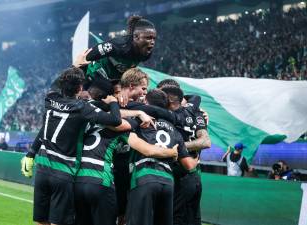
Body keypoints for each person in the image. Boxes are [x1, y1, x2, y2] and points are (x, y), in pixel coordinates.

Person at [21, 67, 123, 225]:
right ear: (80, 88)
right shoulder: (83, 108)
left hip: (42, 169)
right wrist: (114, 103)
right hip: (63, 173)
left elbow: (57, 84)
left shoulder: (50, 97)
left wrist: (31, 153)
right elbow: (116, 120)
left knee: (41, 221)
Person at [126, 89, 197, 225]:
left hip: (145, 175)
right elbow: (188, 165)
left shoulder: (141, 120)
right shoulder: (175, 129)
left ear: (146, 101)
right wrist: (196, 158)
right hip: (168, 181)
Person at [73, 15, 156, 105]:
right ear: (136, 37)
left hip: (112, 80)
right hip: (93, 73)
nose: (152, 42)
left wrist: (122, 87)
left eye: (154, 38)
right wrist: (82, 88)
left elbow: (127, 70)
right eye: (148, 38)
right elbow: (84, 59)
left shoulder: (146, 53)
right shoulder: (117, 46)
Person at [161, 85, 211, 225]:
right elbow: (196, 97)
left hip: (181, 174)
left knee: (176, 218)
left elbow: (206, 142)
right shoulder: (195, 111)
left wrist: (177, 147)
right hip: (193, 175)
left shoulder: (170, 116)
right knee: (192, 218)